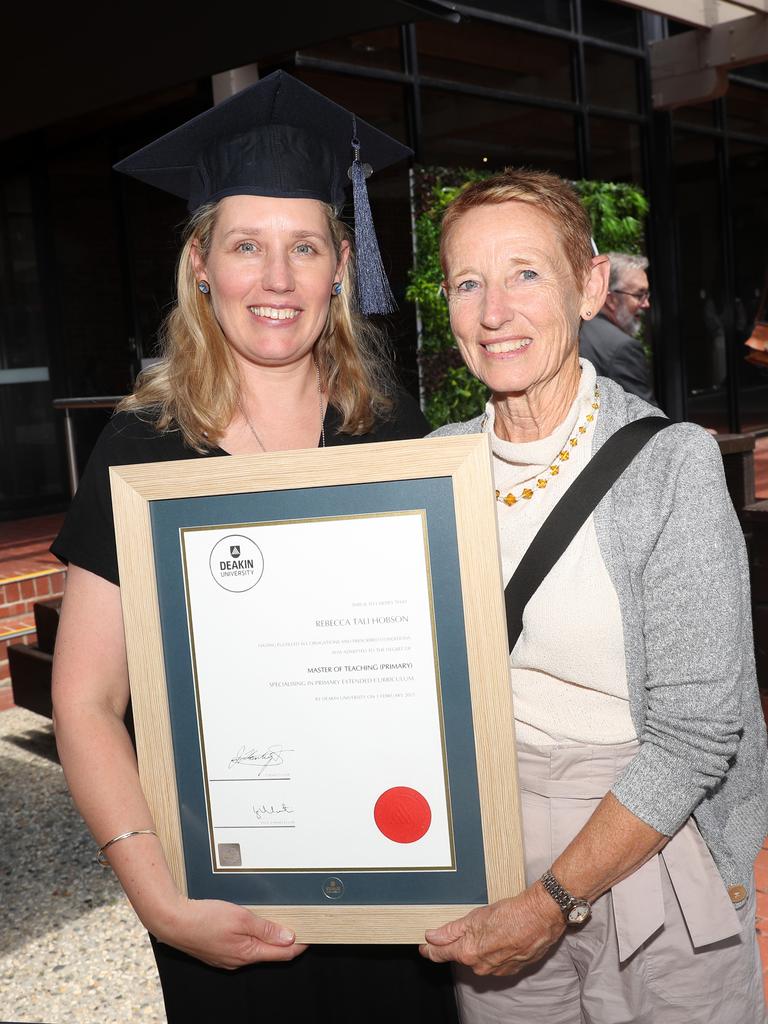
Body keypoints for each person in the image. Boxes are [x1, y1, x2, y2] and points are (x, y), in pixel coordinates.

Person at [50, 71, 457, 1024]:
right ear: (201, 263)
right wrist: (161, 900)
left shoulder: (395, 429)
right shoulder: (142, 446)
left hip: (397, 879)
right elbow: (85, 700)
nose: (276, 281)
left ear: (341, 264)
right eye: (246, 247)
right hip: (218, 895)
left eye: (303, 248)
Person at [419, 168, 768, 1023]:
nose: (494, 310)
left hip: (651, 835)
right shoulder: (427, 467)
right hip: (489, 843)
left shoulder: (671, 465)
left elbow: (696, 734)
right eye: (469, 282)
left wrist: (549, 904)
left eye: (525, 273)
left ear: (589, 285)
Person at [578, 251, 658, 405]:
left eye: (646, 295)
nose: (646, 304)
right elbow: (646, 422)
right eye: (639, 295)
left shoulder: (574, 330)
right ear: (611, 300)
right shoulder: (623, 348)